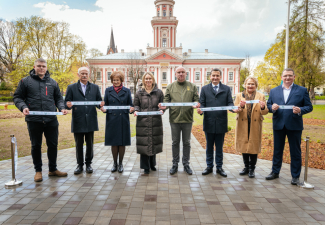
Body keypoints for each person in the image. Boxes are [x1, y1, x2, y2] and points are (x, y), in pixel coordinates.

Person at [13, 58, 68, 182]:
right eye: (39, 66)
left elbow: (59, 98)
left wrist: (62, 107)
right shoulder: (25, 81)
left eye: (43, 66)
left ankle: (53, 169)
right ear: (34, 67)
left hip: (51, 120)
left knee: (53, 145)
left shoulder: (53, 82)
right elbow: (17, 97)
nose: (41, 68)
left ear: (46, 67)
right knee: (36, 145)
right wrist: (23, 107)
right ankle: (38, 171)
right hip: (34, 120)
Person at [266, 68, 313, 185]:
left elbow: (309, 106)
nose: (287, 78)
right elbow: (268, 105)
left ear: (294, 77)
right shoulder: (274, 91)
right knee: (277, 150)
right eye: (285, 76)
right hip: (278, 124)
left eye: (290, 76)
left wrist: (300, 110)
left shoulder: (302, 90)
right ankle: (275, 172)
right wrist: (272, 107)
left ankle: (295, 176)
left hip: (294, 125)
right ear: (281, 77)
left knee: (295, 152)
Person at [159, 66, 200, 175]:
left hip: (187, 119)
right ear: (175, 74)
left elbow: (196, 99)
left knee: (187, 142)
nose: (181, 74)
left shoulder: (192, 86)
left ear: (186, 74)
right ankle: (175, 164)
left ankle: (186, 164)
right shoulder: (170, 87)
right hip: (174, 119)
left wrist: (196, 104)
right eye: (179, 72)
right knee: (175, 142)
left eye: (183, 72)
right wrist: (164, 107)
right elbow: (166, 101)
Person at [65, 67, 104, 175]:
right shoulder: (71, 87)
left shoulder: (95, 88)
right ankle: (79, 165)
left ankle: (88, 164)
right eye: (82, 73)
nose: (84, 75)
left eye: (86, 73)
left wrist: (100, 105)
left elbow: (98, 101)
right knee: (79, 144)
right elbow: (67, 103)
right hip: (78, 120)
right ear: (78, 75)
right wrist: (68, 105)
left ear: (89, 75)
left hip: (90, 119)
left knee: (90, 144)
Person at [197, 68, 233, 177]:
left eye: (217, 75)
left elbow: (230, 103)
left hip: (221, 122)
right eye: (213, 75)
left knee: (219, 147)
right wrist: (201, 109)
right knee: (209, 146)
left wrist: (233, 108)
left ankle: (219, 167)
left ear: (220, 77)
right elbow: (202, 103)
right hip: (209, 122)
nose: (215, 77)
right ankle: (209, 166)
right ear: (210, 77)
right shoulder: (204, 89)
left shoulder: (226, 89)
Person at [233, 76, 268, 178]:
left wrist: (262, 107)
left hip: (255, 124)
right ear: (245, 85)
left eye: (252, 84)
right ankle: (246, 167)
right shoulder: (240, 95)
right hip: (243, 123)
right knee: (244, 144)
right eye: (248, 84)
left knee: (253, 145)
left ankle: (252, 169)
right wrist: (241, 106)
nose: (250, 86)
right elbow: (235, 109)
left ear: (256, 85)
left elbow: (265, 111)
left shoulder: (261, 96)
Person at [100, 71, 134, 173]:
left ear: (121, 80)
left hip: (123, 118)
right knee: (114, 143)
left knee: (122, 143)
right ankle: (114, 163)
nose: (115, 82)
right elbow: (105, 104)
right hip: (112, 119)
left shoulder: (127, 91)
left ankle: (121, 164)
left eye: (117, 80)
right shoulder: (108, 90)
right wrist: (103, 108)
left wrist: (131, 110)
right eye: (114, 80)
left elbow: (130, 105)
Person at [134, 72, 164, 174]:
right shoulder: (139, 93)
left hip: (155, 120)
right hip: (143, 121)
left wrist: (162, 109)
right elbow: (136, 105)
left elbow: (163, 105)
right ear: (143, 80)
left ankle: (152, 164)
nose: (148, 80)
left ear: (153, 80)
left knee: (153, 142)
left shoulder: (159, 92)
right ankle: (145, 166)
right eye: (146, 79)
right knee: (144, 143)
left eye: (150, 78)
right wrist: (136, 110)